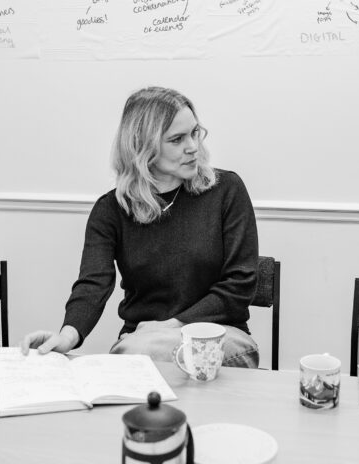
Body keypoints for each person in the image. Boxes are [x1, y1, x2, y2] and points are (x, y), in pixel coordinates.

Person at [20, 86, 260, 368]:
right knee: (141, 354)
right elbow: (93, 284)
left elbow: (240, 285)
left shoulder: (226, 190)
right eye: (177, 139)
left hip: (220, 337)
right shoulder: (111, 210)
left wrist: (171, 326)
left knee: (139, 355)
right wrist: (67, 336)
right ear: (142, 148)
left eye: (195, 132)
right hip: (142, 343)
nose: (192, 146)